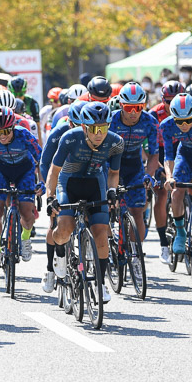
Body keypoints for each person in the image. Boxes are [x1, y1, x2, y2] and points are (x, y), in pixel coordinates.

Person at [44, 101, 123, 303]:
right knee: (64, 228)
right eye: (94, 129)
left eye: (103, 128)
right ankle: (60, 255)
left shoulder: (116, 142)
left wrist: (112, 191)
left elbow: (114, 173)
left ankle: (100, 282)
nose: (99, 133)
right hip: (68, 183)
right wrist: (51, 197)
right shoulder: (70, 138)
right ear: (84, 127)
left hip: (95, 184)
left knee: (101, 234)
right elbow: (54, 171)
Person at [0, 105, 42, 267]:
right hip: (1, 170)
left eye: (6, 131)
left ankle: (25, 239)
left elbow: (41, 161)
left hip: (24, 170)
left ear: (13, 127)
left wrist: (41, 181)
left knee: (27, 212)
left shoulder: (25, 135)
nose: (2, 136)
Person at [160, 93, 192, 261]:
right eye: (179, 121)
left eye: (188, 120)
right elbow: (168, 155)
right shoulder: (166, 126)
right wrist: (169, 177)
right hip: (185, 154)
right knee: (176, 191)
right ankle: (181, 232)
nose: (184, 125)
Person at [108, 82, 160, 249]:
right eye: (128, 108)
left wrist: (149, 175)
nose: (132, 113)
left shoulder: (149, 122)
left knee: (137, 211)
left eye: (137, 108)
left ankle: (136, 254)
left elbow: (153, 154)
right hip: (110, 164)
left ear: (143, 106)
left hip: (134, 165)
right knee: (105, 208)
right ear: (121, 105)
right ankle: (107, 243)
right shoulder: (110, 119)